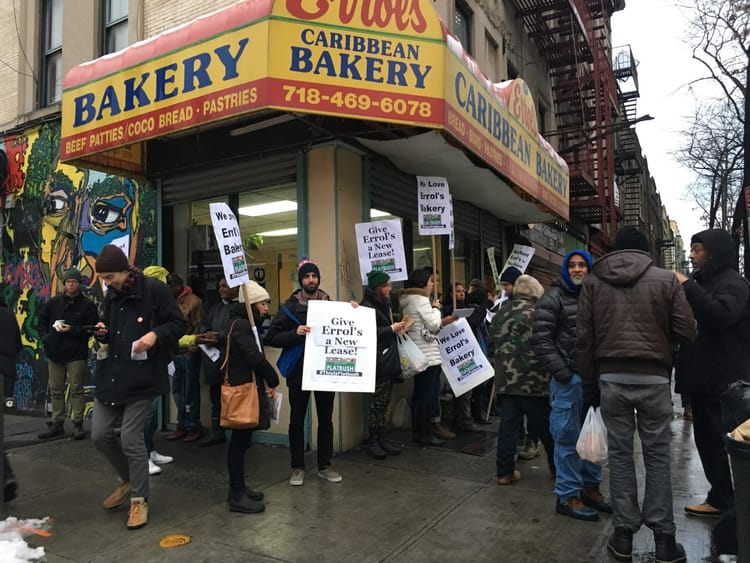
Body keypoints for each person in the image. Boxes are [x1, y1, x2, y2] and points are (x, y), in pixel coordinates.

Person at [577, 226, 696, 562]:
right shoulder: (665, 279)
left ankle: (624, 535)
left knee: (620, 455)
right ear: (646, 251)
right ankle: (664, 541)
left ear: (614, 251)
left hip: (610, 378)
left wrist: (589, 380)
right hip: (654, 379)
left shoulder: (594, 282)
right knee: (658, 456)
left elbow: (584, 337)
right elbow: (687, 330)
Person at [91, 245, 185, 530]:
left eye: (110, 277)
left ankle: (139, 500)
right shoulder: (111, 296)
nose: (108, 283)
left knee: (131, 439)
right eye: (104, 279)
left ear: (123, 270)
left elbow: (178, 324)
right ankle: (128, 479)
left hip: (144, 377)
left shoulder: (154, 289)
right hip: (112, 376)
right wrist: (102, 330)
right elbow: (108, 326)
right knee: (99, 435)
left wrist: (155, 335)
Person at [674, 229, 750, 518]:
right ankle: (721, 497)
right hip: (703, 379)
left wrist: (688, 288)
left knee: (725, 444)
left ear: (715, 251)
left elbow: (720, 315)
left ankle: (728, 502)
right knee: (708, 443)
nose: (691, 255)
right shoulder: (701, 281)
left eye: (697, 249)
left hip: (726, 382)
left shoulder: (735, 284)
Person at [532, 249, 610, 521]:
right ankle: (568, 496)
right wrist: (563, 373)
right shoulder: (552, 297)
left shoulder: (598, 296)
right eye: (573, 265)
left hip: (595, 381)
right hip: (569, 382)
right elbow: (541, 340)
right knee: (567, 439)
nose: (577, 269)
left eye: (583, 265)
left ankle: (590, 489)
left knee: (594, 436)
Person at [265, 257, 342, 486]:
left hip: (325, 371)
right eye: (307, 276)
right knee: (297, 421)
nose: (311, 280)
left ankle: (325, 465)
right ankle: (297, 467)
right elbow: (271, 337)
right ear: (301, 280)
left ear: (318, 279)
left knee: (326, 420)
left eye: (314, 276)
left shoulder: (331, 304)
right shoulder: (289, 307)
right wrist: (294, 333)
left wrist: (354, 311)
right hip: (299, 372)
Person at [491, 274, 555, 485]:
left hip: (505, 380)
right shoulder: (538, 313)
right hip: (533, 382)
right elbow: (547, 345)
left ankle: (504, 473)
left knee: (508, 428)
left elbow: (492, 342)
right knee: (546, 428)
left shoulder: (501, 312)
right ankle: (558, 469)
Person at [224, 281, 279, 513]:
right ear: (252, 305)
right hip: (242, 389)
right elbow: (254, 357)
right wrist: (273, 378)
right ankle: (236, 495)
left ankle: (239, 488)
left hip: (245, 385)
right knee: (239, 442)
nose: (266, 308)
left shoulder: (243, 324)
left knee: (243, 442)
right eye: (263, 303)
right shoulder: (242, 326)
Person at [37, 268, 99, 440]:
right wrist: (45, 337)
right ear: (64, 284)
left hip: (76, 353)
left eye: (74, 282)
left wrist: (72, 329)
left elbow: (91, 329)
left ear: (79, 284)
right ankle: (57, 423)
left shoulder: (87, 305)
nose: (71, 285)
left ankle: (77, 423)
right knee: (56, 389)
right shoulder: (54, 303)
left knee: (76, 389)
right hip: (55, 351)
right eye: (68, 282)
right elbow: (41, 320)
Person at [399, 267, 456, 446]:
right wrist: (436, 308)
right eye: (431, 281)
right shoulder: (422, 300)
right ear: (424, 283)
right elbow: (432, 324)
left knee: (421, 393)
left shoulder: (409, 300)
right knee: (427, 394)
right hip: (427, 354)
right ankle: (424, 433)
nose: (433, 285)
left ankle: (420, 431)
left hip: (419, 352)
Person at [360, 270, 407, 459]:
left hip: (386, 360)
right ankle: (373, 441)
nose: (390, 289)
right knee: (377, 404)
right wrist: (391, 329)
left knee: (384, 401)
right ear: (377, 287)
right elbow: (368, 333)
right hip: (377, 362)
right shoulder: (368, 307)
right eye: (386, 285)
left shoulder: (383, 305)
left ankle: (381, 438)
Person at [197, 277, 239, 447]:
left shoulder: (240, 309)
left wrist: (217, 337)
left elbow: (234, 330)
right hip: (213, 360)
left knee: (235, 398)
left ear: (235, 288)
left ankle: (239, 434)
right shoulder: (214, 308)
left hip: (232, 360)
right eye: (220, 286)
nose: (221, 289)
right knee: (216, 398)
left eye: (225, 286)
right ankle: (217, 431)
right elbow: (203, 325)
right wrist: (206, 334)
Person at [166, 273, 205, 443]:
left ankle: (193, 425)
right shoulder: (170, 301)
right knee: (177, 390)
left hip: (189, 352)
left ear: (178, 286)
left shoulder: (193, 302)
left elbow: (199, 327)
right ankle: (181, 423)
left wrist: (193, 349)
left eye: (170, 287)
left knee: (190, 391)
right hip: (175, 351)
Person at [0, 294, 21, 502]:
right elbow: (17, 344)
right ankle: (5, 476)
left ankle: (5, 476)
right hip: (7, 373)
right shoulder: (9, 314)